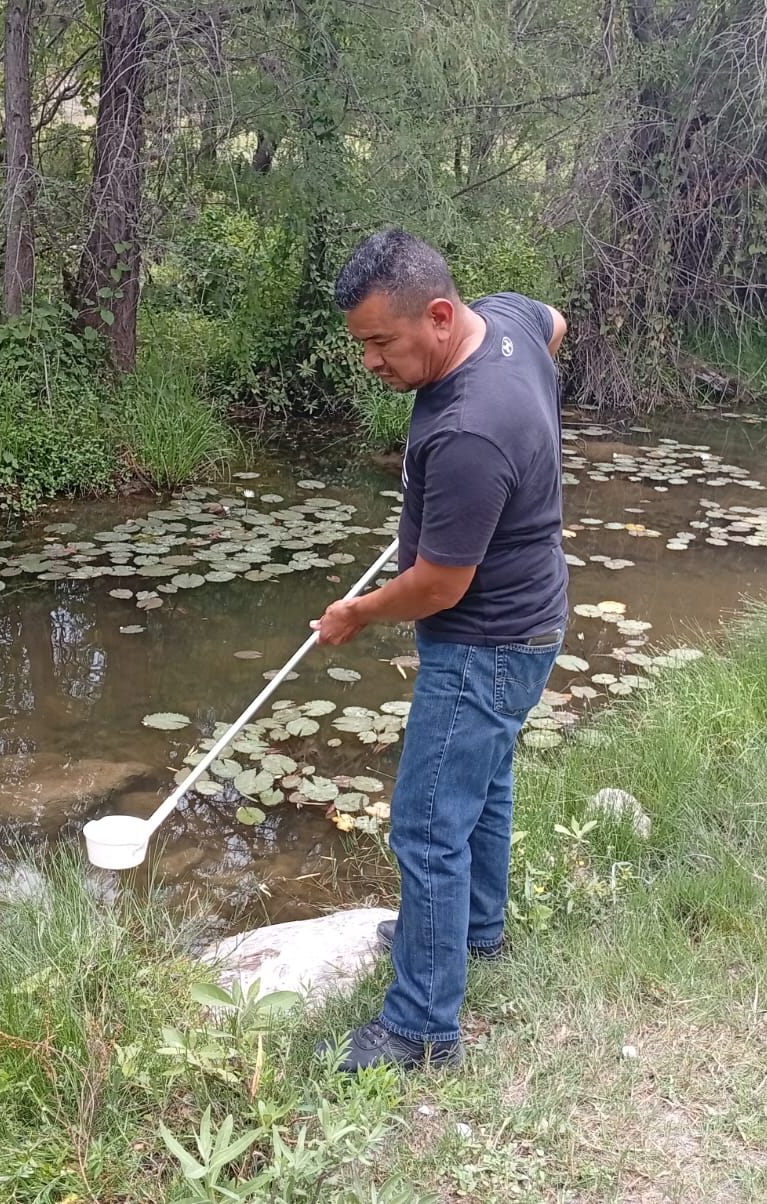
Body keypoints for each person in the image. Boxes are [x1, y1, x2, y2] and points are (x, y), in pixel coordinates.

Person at [311, 228, 568, 1072]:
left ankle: (421, 1028)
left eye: (382, 342)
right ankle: (473, 932)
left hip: (485, 641)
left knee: (426, 825)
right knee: (482, 786)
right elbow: (556, 323)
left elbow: (438, 587)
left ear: (440, 316)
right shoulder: (508, 322)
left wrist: (356, 613)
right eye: (362, 343)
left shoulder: (469, 432)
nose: (370, 362)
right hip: (532, 618)